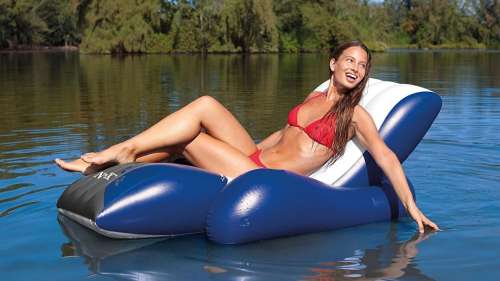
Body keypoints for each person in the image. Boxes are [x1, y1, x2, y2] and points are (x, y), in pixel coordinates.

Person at [55, 41, 439, 233]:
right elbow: (282, 134)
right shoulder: (315, 96)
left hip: (265, 180)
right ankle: (123, 154)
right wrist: (247, 147)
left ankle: (120, 153)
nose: (355, 68)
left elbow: (386, 156)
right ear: (333, 63)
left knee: (188, 141)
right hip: (254, 157)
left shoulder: (354, 115)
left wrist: (412, 207)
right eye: (349, 60)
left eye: (362, 65)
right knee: (205, 105)